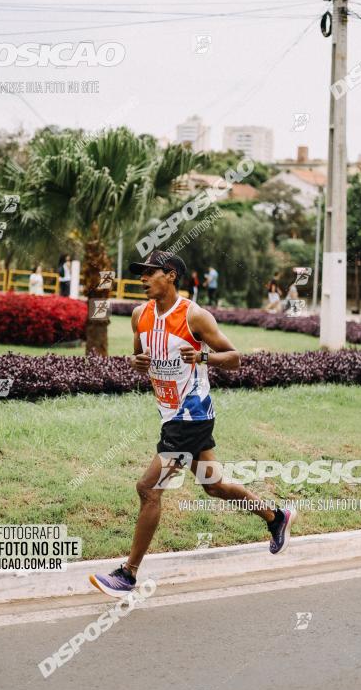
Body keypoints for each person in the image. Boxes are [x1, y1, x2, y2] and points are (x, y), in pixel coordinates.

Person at [89, 250, 296, 598]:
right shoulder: (139, 315)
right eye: (141, 273)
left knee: (149, 489)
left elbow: (235, 359)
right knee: (213, 485)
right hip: (170, 414)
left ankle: (128, 574)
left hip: (191, 416)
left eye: (149, 273)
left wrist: (203, 356)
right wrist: (138, 363)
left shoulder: (195, 316)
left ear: (170, 275)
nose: (142, 278)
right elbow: (142, 356)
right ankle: (276, 517)